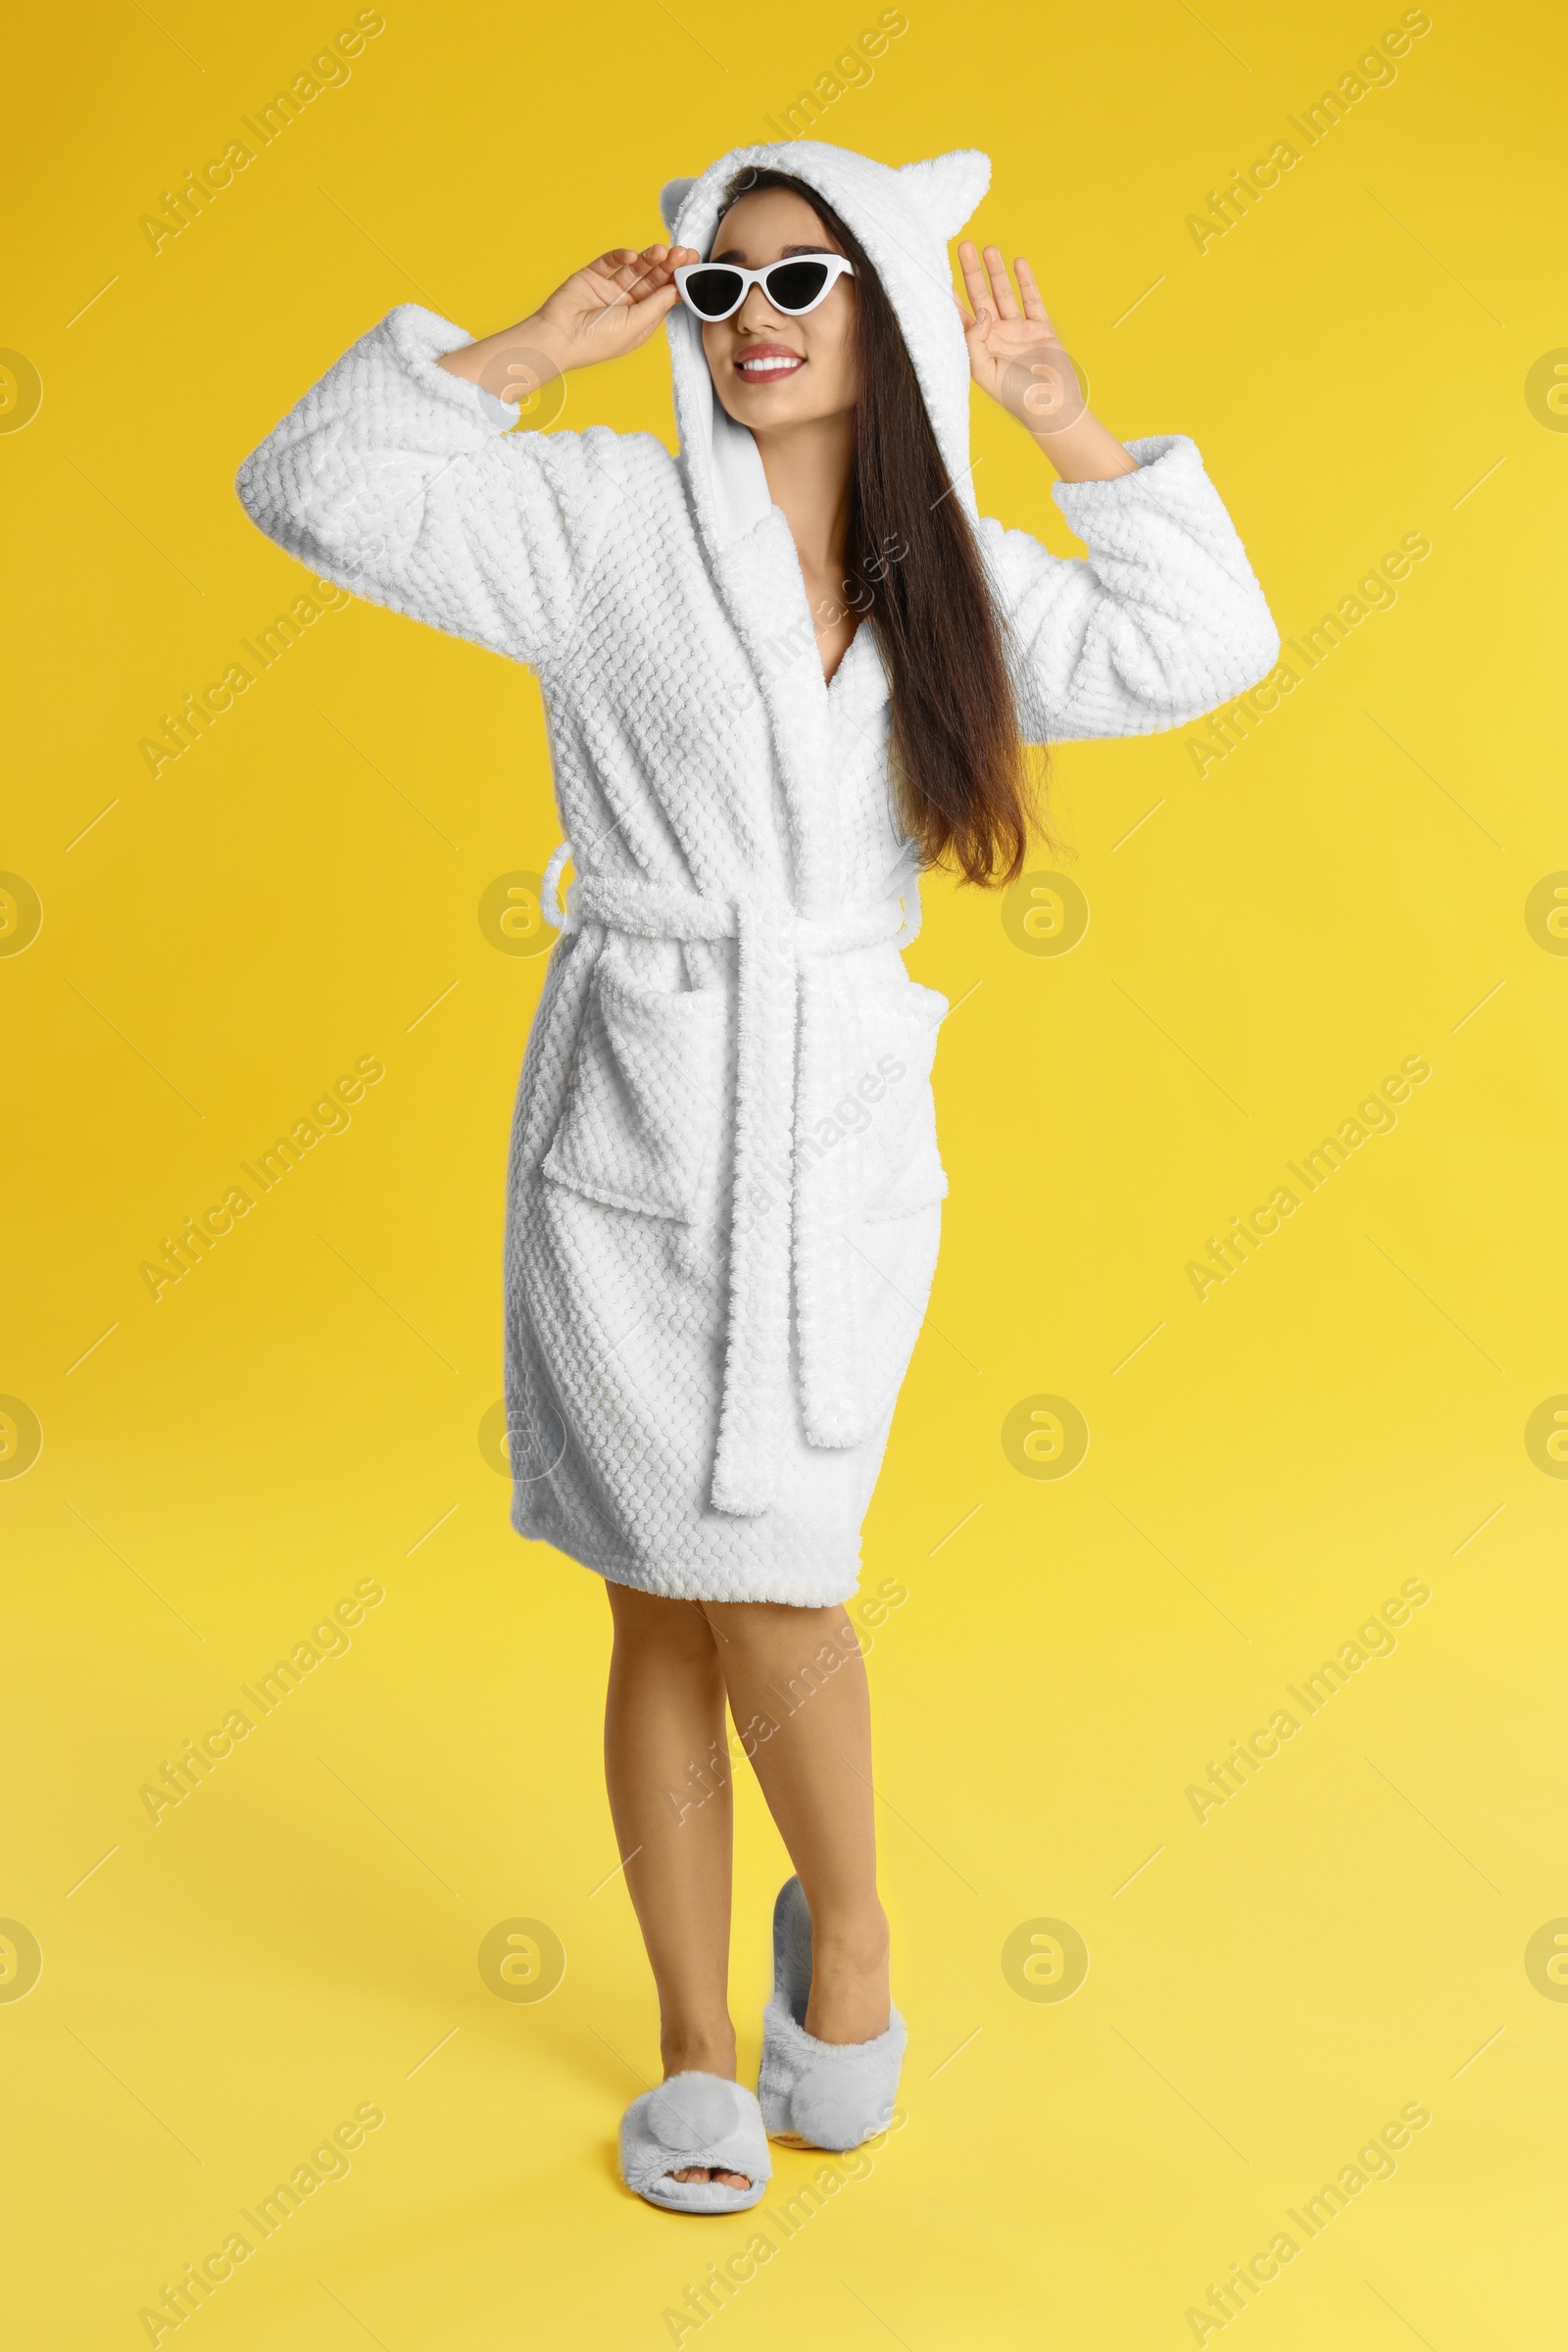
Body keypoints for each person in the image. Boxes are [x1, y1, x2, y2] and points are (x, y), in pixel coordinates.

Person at [235, 137, 1280, 2214]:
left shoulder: (950, 577)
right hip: (629, 1114)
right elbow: (314, 488)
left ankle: (856, 1943)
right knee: (653, 1602)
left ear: (885, 314)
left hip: (832, 1131)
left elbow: (1200, 645)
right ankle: (698, 2045)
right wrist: (527, 348)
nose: (752, 324)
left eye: (800, 285)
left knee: (783, 1578)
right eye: (719, 291)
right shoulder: (604, 520)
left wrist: (1062, 422)